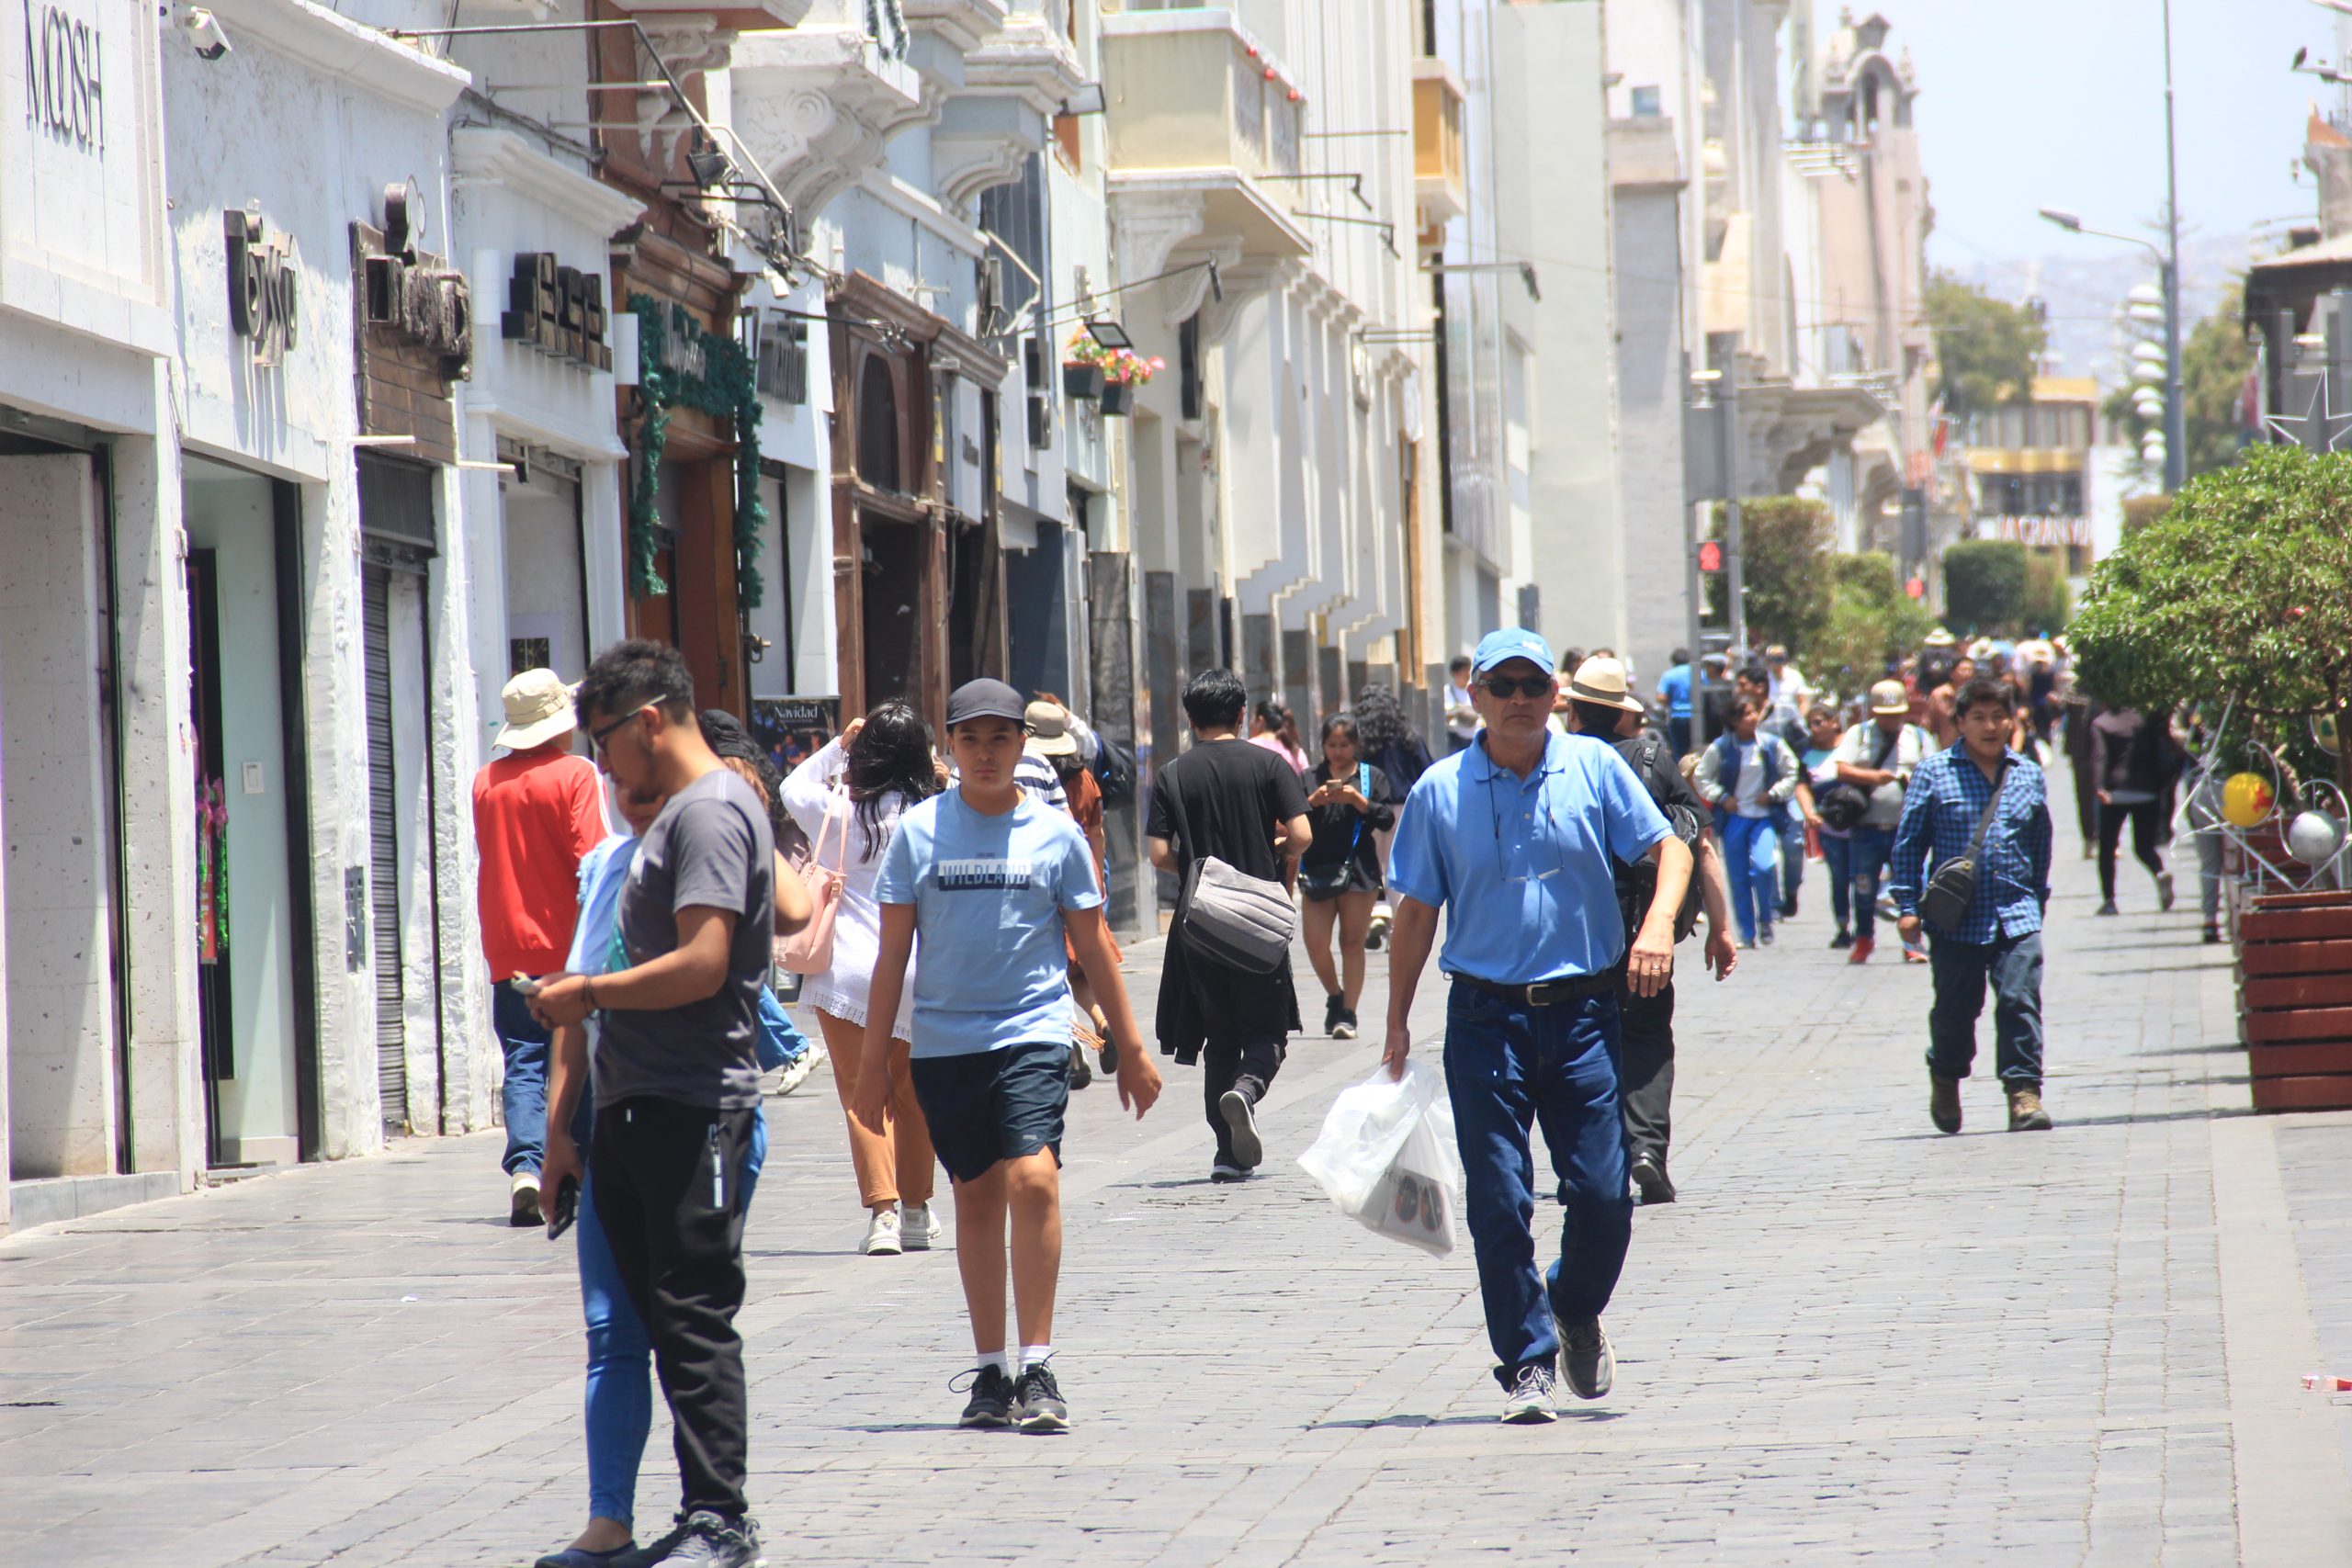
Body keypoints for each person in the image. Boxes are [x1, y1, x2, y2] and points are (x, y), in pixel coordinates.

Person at [1382, 628, 1691, 1423]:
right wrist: (1394, 1025)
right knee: (1498, 1196)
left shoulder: (1593, 767)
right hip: (1484, 1017)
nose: (1519, 699)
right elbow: (1416, 911)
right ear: (1474, 696)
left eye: (1533, 684)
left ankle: (1574, 1304)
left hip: (1587, 1013)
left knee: (1602, 1193)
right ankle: (1525, 1359)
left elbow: (1672, 850)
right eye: (1502, 685)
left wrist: (1657, 928)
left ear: (1556, 694)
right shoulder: (1439, 791)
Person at [527, 641, 777, 1568]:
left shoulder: (710, 813)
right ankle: (691, 1515)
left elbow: (705, 963)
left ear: (647, 722)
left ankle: (721, 1518)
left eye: (603, 742)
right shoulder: (680, 816)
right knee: (660, 1320)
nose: (600, 765)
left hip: (691, 1104)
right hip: (641, 1105)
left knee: (692, 1315)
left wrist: (588, 992)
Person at [857, 678, 1161, 1434]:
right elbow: (892, 957)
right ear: (949, 750)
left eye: (1001, 737)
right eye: (971, 739)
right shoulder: (920, 834)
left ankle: (1038, 1362)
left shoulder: (1054, 835)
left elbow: (1093, 944)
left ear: (1023, 746)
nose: (986, 752)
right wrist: (868, 1069)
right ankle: (991, 1372)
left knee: (1034, 1179)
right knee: (977, 1196)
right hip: (945, 1045)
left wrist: (1130, 1045)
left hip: (1031, 1032)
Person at [1560, 657, 1736, 1206]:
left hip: (1575, 940)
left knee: (1579, 1043)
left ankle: (1586, 1162)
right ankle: (1646, 1151)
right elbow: (1698, 847)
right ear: (1621, 717)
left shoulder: (1555, 763)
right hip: (1645, 929)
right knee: (1646, 1039)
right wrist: (1720, 929)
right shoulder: (1655, 761)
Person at [782, 702, 944, 1258]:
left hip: (849, 975)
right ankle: (919, 1210)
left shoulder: (837, 808)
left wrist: (838, 746)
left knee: (861, 1094)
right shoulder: (936, 813)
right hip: (921, 971)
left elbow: (791, 787)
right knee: (916, 1093)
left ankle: (884, 1215)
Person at [1148, 668, 1316, 1180]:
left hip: (1198, 926)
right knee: (1267, 1030)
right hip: (1257, 918)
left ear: (1190, 717)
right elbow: (1303, 835)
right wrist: (1273, 851)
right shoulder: (1270, 765)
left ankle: (1227, 1155)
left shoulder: (1172, 774)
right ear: (1242, 715)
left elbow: (1158, 854)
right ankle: (1245, 1090)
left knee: (1219, 1035)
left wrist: (1203, 872)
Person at [472, 667, 608, 1226]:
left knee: (524, 1058)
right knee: (580, 1058)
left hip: (508, 942)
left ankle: (527, 1168)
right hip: (568, 942)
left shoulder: (486, 782)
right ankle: (577, 1167)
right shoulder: (577, 774)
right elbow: (593, 859)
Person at [1892, 676, 2055, 1136]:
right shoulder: (1934, 772)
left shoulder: (2026, 773)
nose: (1990, 726)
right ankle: (1945, 1074)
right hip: (1956, 920)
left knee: (2020, 1000)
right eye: (1978, 718)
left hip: (2017, 912)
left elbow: (2040, 841)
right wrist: (1907, 905)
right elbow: (1909, 844)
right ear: (1959, 722)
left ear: (2012, 720)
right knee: (1955, 1013)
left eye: (1998, 716)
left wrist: (2037, 898)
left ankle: (2023, 1093)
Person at [1030, 698, 1121, 1084]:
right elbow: (1097, 834)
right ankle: (1101, 1021)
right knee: (1079, 969)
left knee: (1049, 969)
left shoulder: (1027, 779)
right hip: (1081, 883)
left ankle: (1073, 1045)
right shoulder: (1084, 780)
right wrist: (1096, 887)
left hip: (1041, 884)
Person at [1298, 714, 1399, 1041]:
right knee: (1315, 943)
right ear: (1322, 745)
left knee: (1352, 942)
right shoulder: (1309, 777)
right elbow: (1288, 816)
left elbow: (1386, 819)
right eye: (1331, 745)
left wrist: (1358, 801)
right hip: (1317, 870)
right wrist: (1313, 801)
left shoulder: (1371, 778)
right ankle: (1335, 995)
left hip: (1359, 871)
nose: (1338, 752)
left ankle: (1349, 1014)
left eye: (1344, 745)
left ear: (1355, 744)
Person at [1834, 681, 1933, 965]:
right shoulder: (1859, 734)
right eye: (1885, 714)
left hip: (1906, 829)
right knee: (1863, 887)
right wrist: (1874, 778)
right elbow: (1841, 769)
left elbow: (1935, 771)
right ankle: (1864, 938)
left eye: (1896, 714)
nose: (1891, 720)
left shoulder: (1917, 736)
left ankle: (1912, 942)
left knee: (1911, 886)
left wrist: (1909, 780)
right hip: (1867, 828)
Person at [1692, 694, 1799, 948]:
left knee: (1763, 867)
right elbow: (1701, 776)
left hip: (1763, 817)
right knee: (1738, 877)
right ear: (1733, 720)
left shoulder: (1772, 745)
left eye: (1753, 713)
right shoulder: (1722, 748)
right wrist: (1722, 797)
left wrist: (1773, 794)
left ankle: (1766, 918)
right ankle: (1746, 932)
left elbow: (1792, 772)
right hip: (1734, 818)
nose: (1752, 718)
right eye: (1745, 714)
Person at [1352, 684, 1436, 951]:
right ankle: (1397, 929)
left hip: (1370, 808)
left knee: (1373, 867)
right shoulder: (1408, 736)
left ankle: (1377, 913)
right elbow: (1428, 771)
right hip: (1405, 808)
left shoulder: (1359, 738)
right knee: (1398, 869)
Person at [2087, 705, 2177, 917]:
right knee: (2144, 847)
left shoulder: (2102, 723)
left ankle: (2109, 901)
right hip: (2148, 791)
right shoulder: (2146, 719)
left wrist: (2099, 786)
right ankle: (2159, 871)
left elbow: (2099, 757)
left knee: (2107, 848)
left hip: (2115, 794)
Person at [1799, 704, 1857, 949]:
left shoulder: (1852, 746)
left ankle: (1865, 929)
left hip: (1860, 824)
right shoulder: (1806, 755)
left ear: (1834, 722)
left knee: (1863, 877)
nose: (1814, 728)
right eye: (1810, 723)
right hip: (1830, 828)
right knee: (1839, 879)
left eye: (1818, 722)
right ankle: (1843, 928)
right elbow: (1801, 786)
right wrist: (1809, 812)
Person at [1248, 697, 1311, 774]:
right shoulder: (1295, 750)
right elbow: (1306, 780)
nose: (1249, 724)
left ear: (1260, 721)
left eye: (1251, 719)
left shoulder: (1249, 747)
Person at [1654, 648, 1694, 760]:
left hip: (1677, 716)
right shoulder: (1697, 672)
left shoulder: (1669, 675)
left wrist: (1671, 702)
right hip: (1697, 716)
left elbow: (1661, 697)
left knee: (1680, 753)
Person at [1443, 655, 1480, 754]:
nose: (1467, 674)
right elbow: (1447, 712)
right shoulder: (1447, 691)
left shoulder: (1474, 690)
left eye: (1469, 670)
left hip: (1474, 738)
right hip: (1456, 739)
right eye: (1464, 671)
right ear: (1455, 673)